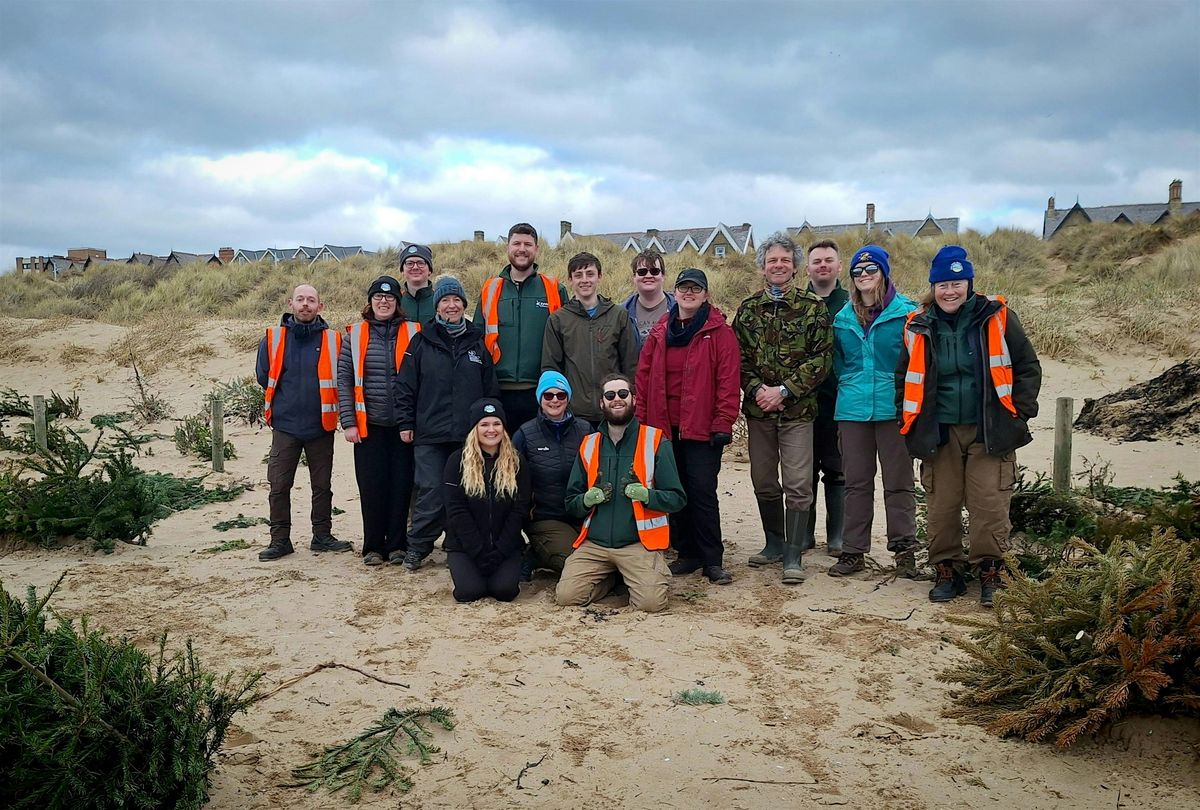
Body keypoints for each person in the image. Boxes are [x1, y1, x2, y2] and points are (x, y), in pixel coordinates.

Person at [896, 245, 1042, 606]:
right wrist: (909, 421)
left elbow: (1027, 367)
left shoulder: (998, 317)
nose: (950, 291)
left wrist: (1019, 415)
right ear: (933, 287)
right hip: (939, 432)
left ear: (969, 284)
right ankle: (948, 570)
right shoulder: (917, 325)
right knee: (941, 506)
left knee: (989, 504)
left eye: (957, 284)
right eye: (943, 284)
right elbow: (903, 377)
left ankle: (991, 570)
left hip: (990, 429)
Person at [733, 231, 833, 585]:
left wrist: (785, 391)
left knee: (798, 483)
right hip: (759, 411)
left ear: (795, 267)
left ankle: (794, 554)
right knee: (763, 480)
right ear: (762, 267)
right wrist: (757, 389)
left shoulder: (813, 307)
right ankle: (773, 543)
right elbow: (737, 358)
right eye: (772, 260)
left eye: (785, 260)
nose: (778, 265)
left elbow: (822, 358)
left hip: (797, 413)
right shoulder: (748, 310)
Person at [635, 269, 740, 585]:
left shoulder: (719, 332)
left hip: (703, 429)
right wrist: (642, 421)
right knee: (674, 490)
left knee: (702, 492)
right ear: (675, 292)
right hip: (665, 427)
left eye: (696, 288)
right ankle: (687, 553)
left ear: (705, 294)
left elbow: (728, 380)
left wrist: (723, 421)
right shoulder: (661, 331)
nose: (689, 293)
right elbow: (643, 378)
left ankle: (712, 560)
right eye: (683, 288)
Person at [556, 374, 687, 613]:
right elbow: (571, 502)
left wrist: (648, 496)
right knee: (566, 596)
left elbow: (677, 499)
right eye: (610, 395)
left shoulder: (655, 440)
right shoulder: (589, 444)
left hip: (638, 544)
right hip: (595, 544)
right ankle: (614, 578)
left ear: (634, 400)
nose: (617, 399)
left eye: (623, 394)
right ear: (602, 403)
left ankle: (638, 575)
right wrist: (586, 500)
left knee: (651, 604)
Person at [828, 246, 921, 578]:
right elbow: (838, 362)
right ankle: (853, 551)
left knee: (899, 482)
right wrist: (850, 382)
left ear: (883, 273)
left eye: (871, 270)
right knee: (856, 483)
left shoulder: (907, 314)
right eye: (857, 271)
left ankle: (905, 551)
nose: (864, 276)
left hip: (894, 409)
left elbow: (916, 361)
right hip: (852, 410)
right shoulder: (842, 318)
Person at [397, 275, 499, 570]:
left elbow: (490, 389)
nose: (451, 305)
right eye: (445, 300)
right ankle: (418, 546)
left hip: (469, 435)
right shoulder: (421, 341)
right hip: (430, 433)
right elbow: (405, 386)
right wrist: (405, 423)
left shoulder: (477, 342)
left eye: (456, 300)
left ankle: (459, 544)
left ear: (464, 305)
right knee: (431, 490)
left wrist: (490, 425)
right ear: (437, 306)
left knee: (468, 491)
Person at [256, 284, 351, 561]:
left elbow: (343, 376)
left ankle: (322, 536)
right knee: (279, 485)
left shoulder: (334, 339)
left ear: (320, 306)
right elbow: (264, 376)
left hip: (321, 424)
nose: (305, 304)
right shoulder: (273, 338)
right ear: (291, 304)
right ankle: (279, 540)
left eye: (311, 300)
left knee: (322, 485)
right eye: (300, 300)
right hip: (285, 425)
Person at [337, 276, 421, 566]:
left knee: (401, 487)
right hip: (368, 426)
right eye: (378, 297)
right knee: (371, 488)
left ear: (397, 302)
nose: (383, 302)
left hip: (403, 426)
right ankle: (372, 546)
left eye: (389, 297)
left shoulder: (414, 332)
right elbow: (344, 381)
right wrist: (348, 421)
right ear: (370, 302)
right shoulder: (354, 335)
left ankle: (397, 545)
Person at [475, 223, 568, 433]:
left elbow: (567, 340)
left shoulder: (554, 288)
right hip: (498, 391)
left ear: (537, 249)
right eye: (516, 243)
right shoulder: (490, 289)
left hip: (543, 392)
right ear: (508, 247)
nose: (522, 249)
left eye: (528, 244)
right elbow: (477, 339)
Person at [443, 398, 532, 603]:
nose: (491, 430)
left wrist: (500, 551)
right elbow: (456, 510)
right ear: (475, 428)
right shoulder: (456, 461)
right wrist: (478, 550)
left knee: (505, 591)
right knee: (469, 592)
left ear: (504, 428)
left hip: (505, 546)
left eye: (496, 424)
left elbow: (520, 509)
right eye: (484, 424)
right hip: (465, 546)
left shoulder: (517, 461)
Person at [542, 251, 639, 425]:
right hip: (575, 413)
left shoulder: (618, 315)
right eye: (578, 275)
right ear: (570, 280)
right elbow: (551, 367)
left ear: (599, 277)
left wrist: (627, 401)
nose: (584, 280)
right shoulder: (558, 319)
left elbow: (630, 364)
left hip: (613, 409)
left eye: (590, 274)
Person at [512, 370, 593, 576]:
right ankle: (536, 553)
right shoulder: (524, 434)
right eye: (548, 395)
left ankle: (542, 552)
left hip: (583, 515)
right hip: (545, 517)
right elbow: (511, 483)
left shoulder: (586, 430)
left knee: (603, 563)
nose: (555, 400)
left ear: (568, 398)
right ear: (540, 399)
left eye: (561, 394)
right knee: (577, 567)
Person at [804, 239, 849, 556]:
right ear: (807, 268)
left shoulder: (851, 303)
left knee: (837, 471)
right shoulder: (797, 303)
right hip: (803, 403)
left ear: (839, 266)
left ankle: (837, 537)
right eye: (817, 261)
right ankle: (804, 535)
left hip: (840, 401)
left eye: (828, 260)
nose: (823, 265)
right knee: (803, 473)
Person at [622, 248, 675, 351]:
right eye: (642, 272)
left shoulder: (679, 309)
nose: (649, 276)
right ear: (634, 277)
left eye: (655, 271)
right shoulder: (622, 313)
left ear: (663, 276)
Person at [398, 243, 437, 324]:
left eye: (421, 263)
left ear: (430, 270)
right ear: (402, 271)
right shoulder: (395, 302)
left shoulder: (440, 300)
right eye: (409, 263)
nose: (415, 267)